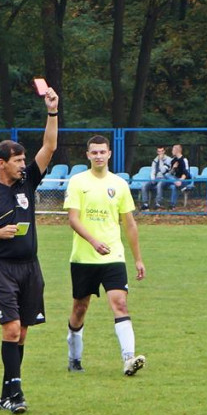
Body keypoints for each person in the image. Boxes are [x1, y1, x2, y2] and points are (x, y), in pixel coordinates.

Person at [0, 86, 59, 415]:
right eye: (17, 161)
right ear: (2, 163)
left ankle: (7, 390)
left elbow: (50, 146)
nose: (23, 165)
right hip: (2, 268)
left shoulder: (26, 183)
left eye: (23, 160)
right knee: (12, 328)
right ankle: (15, 394)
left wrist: (52, 111)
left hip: (30, 267)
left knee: (23, 333)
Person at [64, 135, 147, 376]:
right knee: (80, 308)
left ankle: (128, 359)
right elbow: (73, 219)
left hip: (113, 256)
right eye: (94, 152)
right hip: (83, 257)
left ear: (110, 153)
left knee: (120, 303)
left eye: (103, 152)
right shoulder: (78, 182)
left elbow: (129, 224)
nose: (99, 156)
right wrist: (93, 241)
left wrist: (138, 259)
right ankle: (74, 357)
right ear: (87, 155)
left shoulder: (119, 184)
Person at [139, 145, 171, 210]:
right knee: (144, 185)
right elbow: (153, 170)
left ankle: (158, 203)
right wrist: (152, 178)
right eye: (159, 151)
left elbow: (163, 170)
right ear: (157, 152)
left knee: (159, 185)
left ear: (164, 151)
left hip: (165, 178)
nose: (160, 153)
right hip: (156, 178)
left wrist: (161, 160)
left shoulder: (168, 160)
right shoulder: (155, 160)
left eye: (162, 151)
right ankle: (145, 203)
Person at [168, 143, 192, 209]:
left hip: (184, 180)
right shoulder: (173, 160)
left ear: (177, 150)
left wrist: (181, 180)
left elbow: (186, 172)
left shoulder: (184, 160)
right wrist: (173, 167)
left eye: (173, 149)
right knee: (169, 178)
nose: (172, 151)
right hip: (176, 180)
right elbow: (170, 173)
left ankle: (172, 204)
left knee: (175, 185)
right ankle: (172, 205)